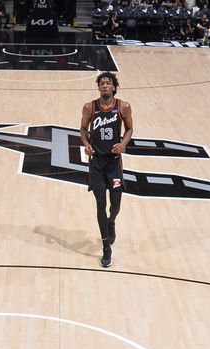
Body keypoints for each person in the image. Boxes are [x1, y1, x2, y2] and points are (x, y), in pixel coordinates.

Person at [80, 71, 133, 268]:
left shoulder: (123, 107)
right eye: (101, 83)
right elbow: (83, 129)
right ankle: (105, 248)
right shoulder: (89, 107)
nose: (104, 85)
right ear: (99, 87)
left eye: (107, 83)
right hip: (96, 163)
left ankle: (112, 221)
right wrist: (86, 143)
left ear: (113, 87)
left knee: (116, 202)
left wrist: (124, 144)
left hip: (114, 162)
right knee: (100, 203)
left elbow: (129, 129)